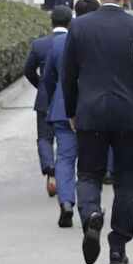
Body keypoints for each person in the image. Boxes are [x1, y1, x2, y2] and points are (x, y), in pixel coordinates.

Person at [62, 0, 133, 264]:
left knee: (88, 173)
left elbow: (68, 75)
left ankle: (90, 214)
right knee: (126, 180)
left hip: (90, 112)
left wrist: (71, 110)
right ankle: (118, 245)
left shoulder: (79, 27)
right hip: (128, 114)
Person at [23, 6, 71, 196]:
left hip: (44, 99)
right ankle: (61, 172)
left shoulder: (39, 44)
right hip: (67, 98)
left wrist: (41, 86)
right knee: (66, 141)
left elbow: (28, 71)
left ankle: (49, 166)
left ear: (51, 23)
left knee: (44, 137)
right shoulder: (72, 42)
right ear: (70, 23)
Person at [40, 18, 79, 227]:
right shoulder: (96, 37)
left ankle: (66, 203)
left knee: (64, 157)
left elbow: (47, 77)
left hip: (63, 107)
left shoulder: (59, 42)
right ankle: (89, 207)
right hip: (92, 108)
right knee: (90, 162)